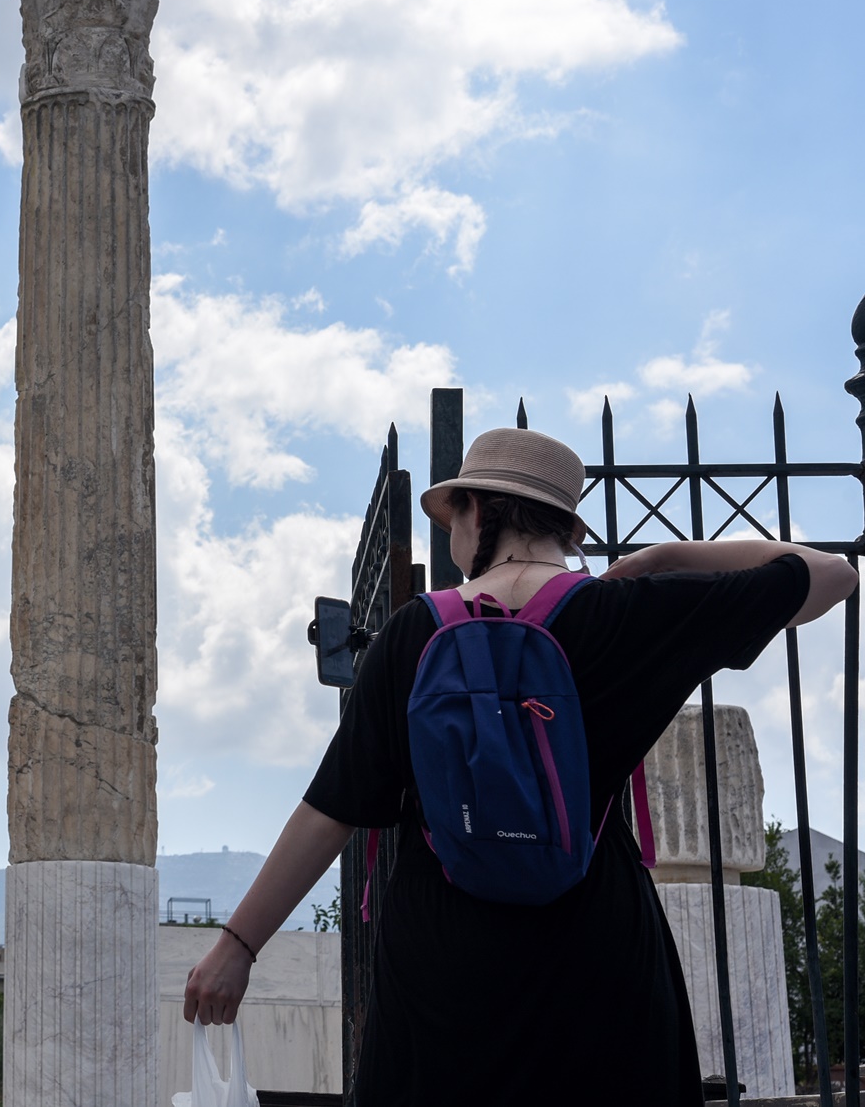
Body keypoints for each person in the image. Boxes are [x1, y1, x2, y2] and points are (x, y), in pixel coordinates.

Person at [183, 427, 858, 1106]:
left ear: (478, 510)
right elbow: (834, 575)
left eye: (452, 517)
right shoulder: (630, 615)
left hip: (442, 967)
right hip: (597, 958)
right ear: (565, 528)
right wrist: (668, 555)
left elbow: (331, 810)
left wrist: (239, 945)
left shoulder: (414, 634)